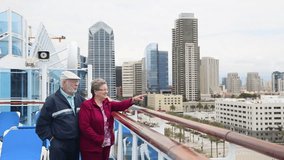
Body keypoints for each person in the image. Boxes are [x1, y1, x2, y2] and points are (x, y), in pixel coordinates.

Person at [79, 78, 145, 160]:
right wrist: (99, 139)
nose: (106, 92)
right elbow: (84, 126)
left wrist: (133, 100)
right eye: (103, 90)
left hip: (106, 144)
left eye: (107, 89)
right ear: (95, 92)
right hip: (92, 146)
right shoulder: (87, 105)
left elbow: (120, 105)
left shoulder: (107, 103)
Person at [36, 71, 85, 160]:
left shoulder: (80, 99)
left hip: (75, 144)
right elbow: (41, 126)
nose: (76, 84)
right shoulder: (52, 100)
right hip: (59, 146)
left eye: (77, 82)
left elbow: (94, 106)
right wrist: (52, 140)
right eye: (73, 81)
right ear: (63, 83)